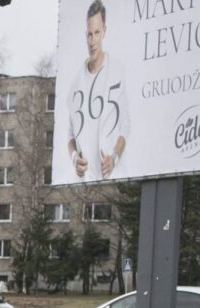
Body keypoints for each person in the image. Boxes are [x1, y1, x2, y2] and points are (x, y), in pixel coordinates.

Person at [65, 0, 129, 180]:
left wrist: (114, 157)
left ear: (104, 31)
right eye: (89, 35)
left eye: (97, 33)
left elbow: (125, 125)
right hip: (84, 182)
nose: (92, 41)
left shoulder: (118, 71)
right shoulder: (76, 81)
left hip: (111, 178)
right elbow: (69, 134)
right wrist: (74, 158)